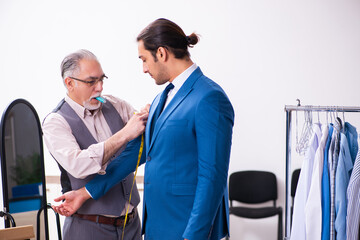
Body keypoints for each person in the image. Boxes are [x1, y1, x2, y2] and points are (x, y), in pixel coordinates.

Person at [53, 18, 235, 240]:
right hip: (157, 224)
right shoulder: (161, 98)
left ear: (161, 53)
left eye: (144, 59)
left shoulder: (209, 97)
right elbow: (133, 155)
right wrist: (85, 193)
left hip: (186, 226)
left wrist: (194, 236)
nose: (144, 69)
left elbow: (212, 176)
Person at [42, 49, 148, 240]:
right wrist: (124, 134)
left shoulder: (116, 105)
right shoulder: (55, 122)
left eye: (102, 79)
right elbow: (79, 166)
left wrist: (150, 114)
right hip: (88, 229)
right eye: (91, 81)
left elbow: (144, 135)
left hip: (132, 226)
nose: (99, 88)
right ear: (70, 83)